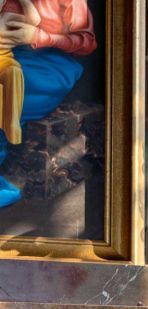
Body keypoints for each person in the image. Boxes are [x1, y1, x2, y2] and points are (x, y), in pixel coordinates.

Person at [0, 0, 96, 208]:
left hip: (50, 65)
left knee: (10, 92)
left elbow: (86, 43)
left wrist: (37, 37)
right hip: (8, 55)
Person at [0, 0, 41, 145]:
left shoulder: (12, 9)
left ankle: (12, 128)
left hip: (4, 58)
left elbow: (35, 21)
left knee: (14, 72)